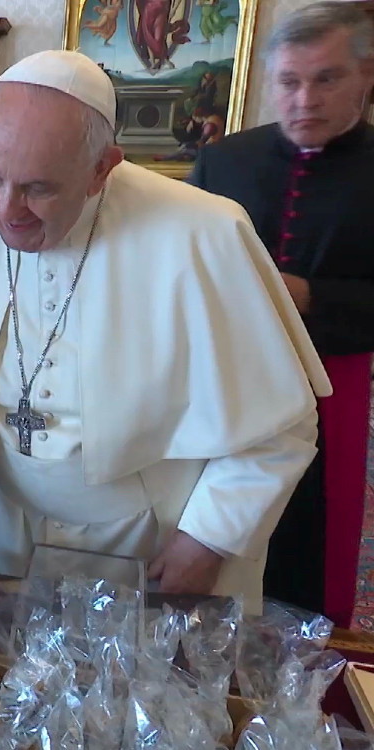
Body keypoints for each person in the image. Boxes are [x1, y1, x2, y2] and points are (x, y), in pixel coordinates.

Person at [0, 49, 332, 611]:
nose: (6, 211)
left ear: (100, 169)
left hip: (153, 541)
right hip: (4, 533)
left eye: (38, 189)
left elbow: (280, 426)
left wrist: (211, 535)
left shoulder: (203, 235)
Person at [188, 1, 374, 626]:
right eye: (289, 82)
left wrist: (311, 297)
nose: (305, 99)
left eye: (327, 79)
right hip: (221, 380)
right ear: (269, 83)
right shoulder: (224, 161)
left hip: (329, 384)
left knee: (307, 542)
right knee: (206, 521)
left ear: (365, 76)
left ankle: (297, 668)